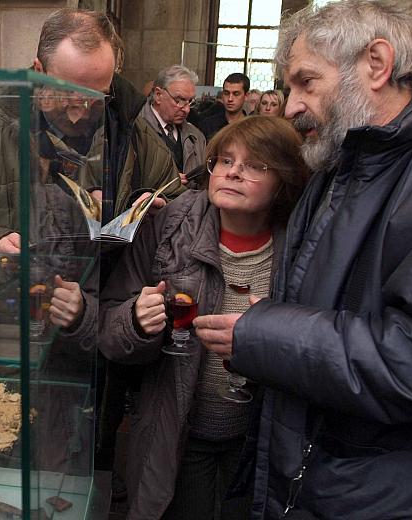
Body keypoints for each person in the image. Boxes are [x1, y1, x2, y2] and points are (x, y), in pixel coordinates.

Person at [197, 1, 412, 518]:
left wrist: (266, 335)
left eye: (306, 82)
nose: (291, 105)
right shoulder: (344, 159)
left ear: (376, 64)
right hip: (326, 470)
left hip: (385, 490)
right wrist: (272, 314)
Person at [99, 116, 309, 520]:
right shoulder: (169, 226)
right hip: (179, 434)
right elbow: (108, 328)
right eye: (225, 160)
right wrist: (137, 321)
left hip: (261, 441)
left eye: (254, 165)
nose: (232, 172)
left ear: (283, 179)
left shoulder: (301, 244)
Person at [0, 9, 178, 254]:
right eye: (67, 93)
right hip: (18, 297)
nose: (81, 111)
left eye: (97, 96)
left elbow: (181, 207)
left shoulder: (136, 136)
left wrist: (157, 210)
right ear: (39, 70)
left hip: (109, 301)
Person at [142, 65, 206, 186]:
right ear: (158, 95)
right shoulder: (134, 131)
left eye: (190, 101)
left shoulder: (196, 137)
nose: (187, 109)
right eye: (179, 100)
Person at [189, 73, 250, 140]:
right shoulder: (207, 125)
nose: (230, 99)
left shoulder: (252, 127)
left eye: (236, 94)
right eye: (226, 93)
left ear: (246, 96)